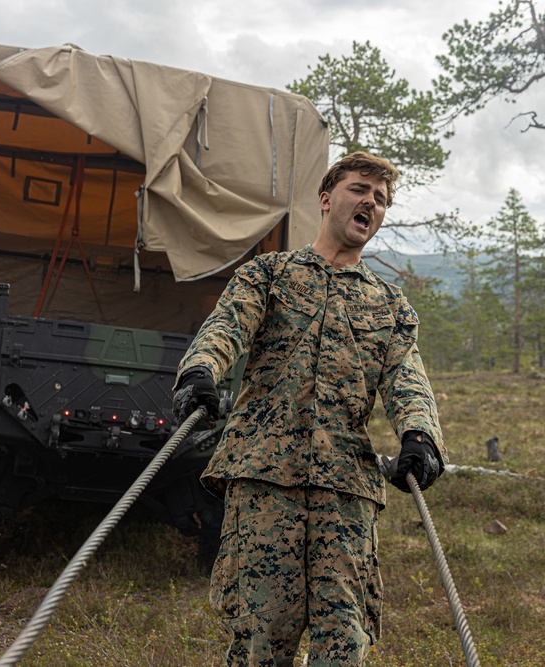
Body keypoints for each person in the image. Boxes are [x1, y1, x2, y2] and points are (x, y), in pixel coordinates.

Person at [172, 152, 447, 666]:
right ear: (326, 199)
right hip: (264, 481)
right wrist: (200, 371)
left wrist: (420, 436)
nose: (371, 202)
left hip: (346, 492)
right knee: (261, 640)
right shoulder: (270, 274)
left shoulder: (389, 307)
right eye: (360, 189)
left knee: (344, 644)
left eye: (381, 199)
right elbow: (228, 325)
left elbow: (408, 379)